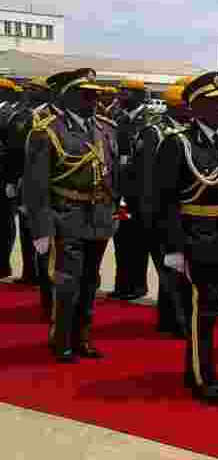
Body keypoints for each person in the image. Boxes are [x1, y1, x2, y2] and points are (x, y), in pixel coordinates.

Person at [155, 71, 218, 404]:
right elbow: (163, 201)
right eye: (216, 102)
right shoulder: (177, 142)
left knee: (210, 311)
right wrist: (173, 248)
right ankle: (202, 377)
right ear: (195, 107)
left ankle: (195, 367)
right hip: (194, 238)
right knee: (201, 311)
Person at [23, 68, 119, 363]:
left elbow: (113, 173)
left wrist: (115, 208)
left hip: (99, 216)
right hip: (66, 215)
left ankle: (83, 337)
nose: (93, 100)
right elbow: (36, 184)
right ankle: (61, 340)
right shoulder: (48, 131)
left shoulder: (106, 128)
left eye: (95, 95)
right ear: (68, 97)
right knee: (67, 282)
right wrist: (40, 228)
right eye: (86, 95)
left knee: (91, 281)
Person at [136, 84, 193, 337]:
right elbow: (149, 178)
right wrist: (153, 214)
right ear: (177, 106)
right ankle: (175, 322)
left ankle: (174, 318)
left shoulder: (187, 131)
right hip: (161, 211)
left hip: (185, 211)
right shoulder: (156, 132)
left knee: (180, 270)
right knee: (169, 268)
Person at [5, 77, 52, 296]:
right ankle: (29, 272)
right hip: (23, 180)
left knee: (40, 229)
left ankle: (44, 274)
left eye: (34, 89)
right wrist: (12, 180)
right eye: (28, 89)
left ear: (45, 92)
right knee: (25, 226)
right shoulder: (22, 114)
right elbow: (13, 151)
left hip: (43, 183)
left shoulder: (50, 116)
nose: (29, 92)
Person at [110, 79, 155, 301]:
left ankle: (137, 285)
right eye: (120, 91)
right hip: (120, 190)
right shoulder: (116, 118)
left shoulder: (149, 120)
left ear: (139, 95)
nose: (120, 95)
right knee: (121, 238)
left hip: (140, 192)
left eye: (126, 92)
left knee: (138, 241)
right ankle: (122, 283)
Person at [0, 78, 21, 279]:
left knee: (4, 222)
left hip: (3, 176)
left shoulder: (9, 115)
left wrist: (11, 181)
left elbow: (13, 150)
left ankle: (2, 265)